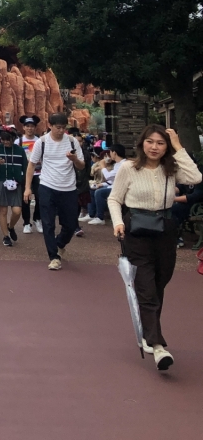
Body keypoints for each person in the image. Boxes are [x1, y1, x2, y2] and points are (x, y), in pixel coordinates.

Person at [108, 126, 201, 370]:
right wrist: (118, 222)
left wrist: (179, 147)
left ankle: (148, 331)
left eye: (161, 143)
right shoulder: (129, 168)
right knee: (146, 286)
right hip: (136, 230)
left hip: (165, 229)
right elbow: (114, 198)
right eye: (150, 142)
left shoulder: (170, 169)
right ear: (142, 144)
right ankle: (158, 345)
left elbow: (195, 178)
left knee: (159, 282)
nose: (154, 147)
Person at [25, 113, 85, 270]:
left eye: (63, 128)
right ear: (50, 126)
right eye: (58, 128)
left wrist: (74, 160)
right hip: (47, 186)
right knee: (48, 223)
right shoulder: (42, 142)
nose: (61, 131)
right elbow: (31, 165)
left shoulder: (72, 141)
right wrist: (27, 188)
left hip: (69, 188)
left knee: (71, 225)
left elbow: (82, 166)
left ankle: (59, 244)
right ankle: (53, 257)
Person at [0, 128, 28, 246]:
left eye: (8, 139)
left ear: (13, 139)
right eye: (3, 139)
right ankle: (5, 236)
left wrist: (26, 184)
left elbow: (26, 168)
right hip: (0, 182)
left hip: (16, 183)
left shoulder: (20, 150)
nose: (6, 142)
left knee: (17, 211)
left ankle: (11, 226)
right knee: (3, 210)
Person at [88, 143, 125, 225]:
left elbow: (108, 176)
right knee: (92, 189)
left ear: (114, 153)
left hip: (121, 188)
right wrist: (102, 184)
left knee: (99, 193)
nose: (110, 155)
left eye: (110, 152)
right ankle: (91, 214)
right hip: (113, 186)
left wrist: (103, 166)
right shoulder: (117, 164)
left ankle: (100, 217)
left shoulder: (123, 164)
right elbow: (112, 180)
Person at [19, 116, 43, 234]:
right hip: (24, 173)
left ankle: (37, 219)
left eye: (32, 126)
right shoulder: (18, 141)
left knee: (40, 197)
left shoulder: (40, 141)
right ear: (23, 127)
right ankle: (26, 222)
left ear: (35, 128)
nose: (30, 128)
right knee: (25, 199)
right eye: (27, 126)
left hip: (39, 173)